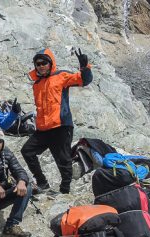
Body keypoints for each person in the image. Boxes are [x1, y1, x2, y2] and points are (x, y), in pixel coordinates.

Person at [20, 48, 92, 194]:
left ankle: (64, 190)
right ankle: (42, 182)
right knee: (27, 151)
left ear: (50, 63)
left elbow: (84, 80)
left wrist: (85, 68)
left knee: (63, 159)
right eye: (38, 64)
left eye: (44, 63)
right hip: (43, 129)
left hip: (61, 126)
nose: (40, 66)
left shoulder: (61, 76)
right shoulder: (37, 84)